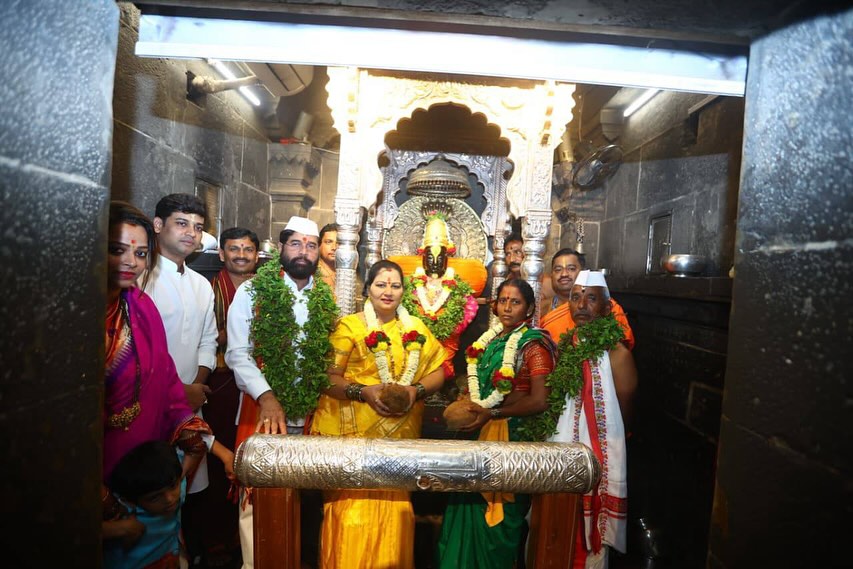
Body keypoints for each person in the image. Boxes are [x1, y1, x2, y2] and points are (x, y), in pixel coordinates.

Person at [310, 260, 447, 569]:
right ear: (367, 289)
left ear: (403, 292)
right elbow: (328, 378)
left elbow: (439, 370)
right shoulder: (350, 327)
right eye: (381, 284)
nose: (388, 291)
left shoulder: (416, 329)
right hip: (353, 448)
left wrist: (416, 391)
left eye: (395, 285)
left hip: (397, 451)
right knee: (350, 520)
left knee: (394, 522)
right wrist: (363, 392)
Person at [102, 201, 218, 556]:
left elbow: (165, 375)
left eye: (139, 253)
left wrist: (189, 427)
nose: (130, 262)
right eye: (117, 250)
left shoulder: (138, 304)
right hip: (99, 469)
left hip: (153, 448)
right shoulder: (71, 313)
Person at [225, 216, 337, 569]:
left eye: (311, 245)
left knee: (295, 497)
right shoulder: (254, 291)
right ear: (281, 249)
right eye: (295, 244)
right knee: (257, 499)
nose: (303, 252)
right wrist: (267, 397)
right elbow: (237, 354)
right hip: (261, 410)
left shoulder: (324, 296)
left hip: (309, 413)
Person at [435, 278, 556, 569]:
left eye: (515, 302)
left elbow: (540, 400)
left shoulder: (533, 345)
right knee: (467, 504)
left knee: (502, 517)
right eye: (502, 300)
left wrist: (493, 414)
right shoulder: (491, 340)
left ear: (529, 308)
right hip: (479, 434)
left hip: (511, 439)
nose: (507, 307)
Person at [540, 270, 638, 569]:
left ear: (607, 308)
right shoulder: (566, 345)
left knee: (588, 535)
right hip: (562, 449)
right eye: (576, 297)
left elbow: (624, 407)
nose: (581, 304)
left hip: (598, 453)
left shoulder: (617, 352)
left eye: (591, 298)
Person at [141, 193, 219, 566]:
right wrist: (179, 392)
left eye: (198, 227)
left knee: (183, 491)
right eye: (182, 223)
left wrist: (197, 387)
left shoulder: (202, 285)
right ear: (158, 226)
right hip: (149, 403)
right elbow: (141, 348)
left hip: (190, 403)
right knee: (151, 488)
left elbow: (208, 340)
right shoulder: (140, 278)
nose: (191, 233)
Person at [205, 227, 260, 566]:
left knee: (251, 462)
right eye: (234, 249)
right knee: (221, 460)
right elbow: (208, 336)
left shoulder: (270, 287)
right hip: (222, 381)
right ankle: (218, 541)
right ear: (222, 254)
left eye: (248, 249)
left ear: (257, 254)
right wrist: (239, 331)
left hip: (258, 386)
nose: (241, 254)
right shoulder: (210, 289)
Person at [402, 214, 478, 378]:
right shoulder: (410, 284)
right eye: (430, 257)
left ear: (447, 258)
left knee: (443, 369)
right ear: (422, 257)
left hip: (446, 341)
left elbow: (471, 306)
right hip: (415, 341)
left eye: (440, 257)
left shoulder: (457, 286)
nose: (435, 262)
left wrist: (449, 329)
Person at [104, 441, 188, 569]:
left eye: (173, 487)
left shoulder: (174, 479)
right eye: (154, 498)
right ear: (130, 501)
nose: (169, 499)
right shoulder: (121, 512)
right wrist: (119, 528)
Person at [540, 249, 635, 350]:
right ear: (551, 275)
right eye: (558, 269)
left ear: (583, 272)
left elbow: (619, 349)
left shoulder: (606, 307)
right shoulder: (541, 308)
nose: (564, 274)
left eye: (571, 269)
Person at [317, 223, 338, 292]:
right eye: (329, 242)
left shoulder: (345, 273)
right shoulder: (312, 272)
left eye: (339, 243)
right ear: (319, 245)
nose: (334, 247)